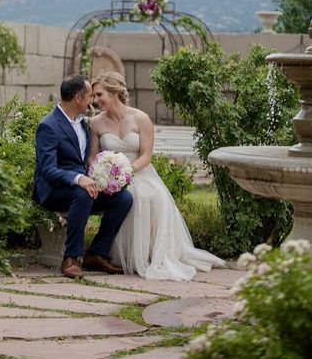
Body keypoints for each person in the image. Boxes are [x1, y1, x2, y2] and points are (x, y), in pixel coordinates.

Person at [89, 71, 225, 280]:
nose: (95, 100)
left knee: (148, 196)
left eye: (99, 95)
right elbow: (92, 158)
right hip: (110, 179)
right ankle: (119, 254)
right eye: (94, 96)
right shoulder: (95, 123)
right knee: (127, 197)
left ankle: (149, 254)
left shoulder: (140, 118)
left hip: (139, 172)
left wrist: (128, 171)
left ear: (114, 92)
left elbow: (146, 155)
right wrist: (102, 175)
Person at [33, 73, 133, 279]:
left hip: (83, 188)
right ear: (78, 98)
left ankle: (96, 253)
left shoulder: (84, 123)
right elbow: (48, 170)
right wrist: (79, 179)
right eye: (89, 96)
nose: (93, 100)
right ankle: (70, 258)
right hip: (54, 190)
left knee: (124, 198)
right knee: (84, 193)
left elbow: (87, 160)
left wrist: (103, 176)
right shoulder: (48, 126)